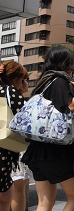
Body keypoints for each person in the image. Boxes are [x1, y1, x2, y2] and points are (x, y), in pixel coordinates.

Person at [21, 46, 74, 211]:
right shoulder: (60, 81)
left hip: (37, 150)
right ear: (66, 63)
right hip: (56, 151)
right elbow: (70, 107)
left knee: (44, 202)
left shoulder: (42, 82)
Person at [0, 62, 29, 211]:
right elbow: (23, 120)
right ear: (16, 78)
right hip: (4, 150)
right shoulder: (10, 91)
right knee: (8, 194)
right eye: (22, 79)